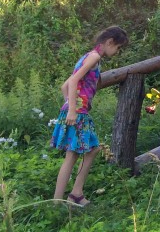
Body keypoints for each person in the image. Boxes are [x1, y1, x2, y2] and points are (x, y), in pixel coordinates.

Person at [51, 25, 129, 207]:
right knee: (78, 154)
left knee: (88, 150)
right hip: (77, 113)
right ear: (109, 42)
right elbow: (73, 81)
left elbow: (65, 87)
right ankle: (60, 200)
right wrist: (72, 109)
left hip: (77, 111)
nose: (117, 52)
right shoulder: (94, 57)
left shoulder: (88, 56)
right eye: (118, 48)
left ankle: (73, 194)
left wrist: (71, 104)